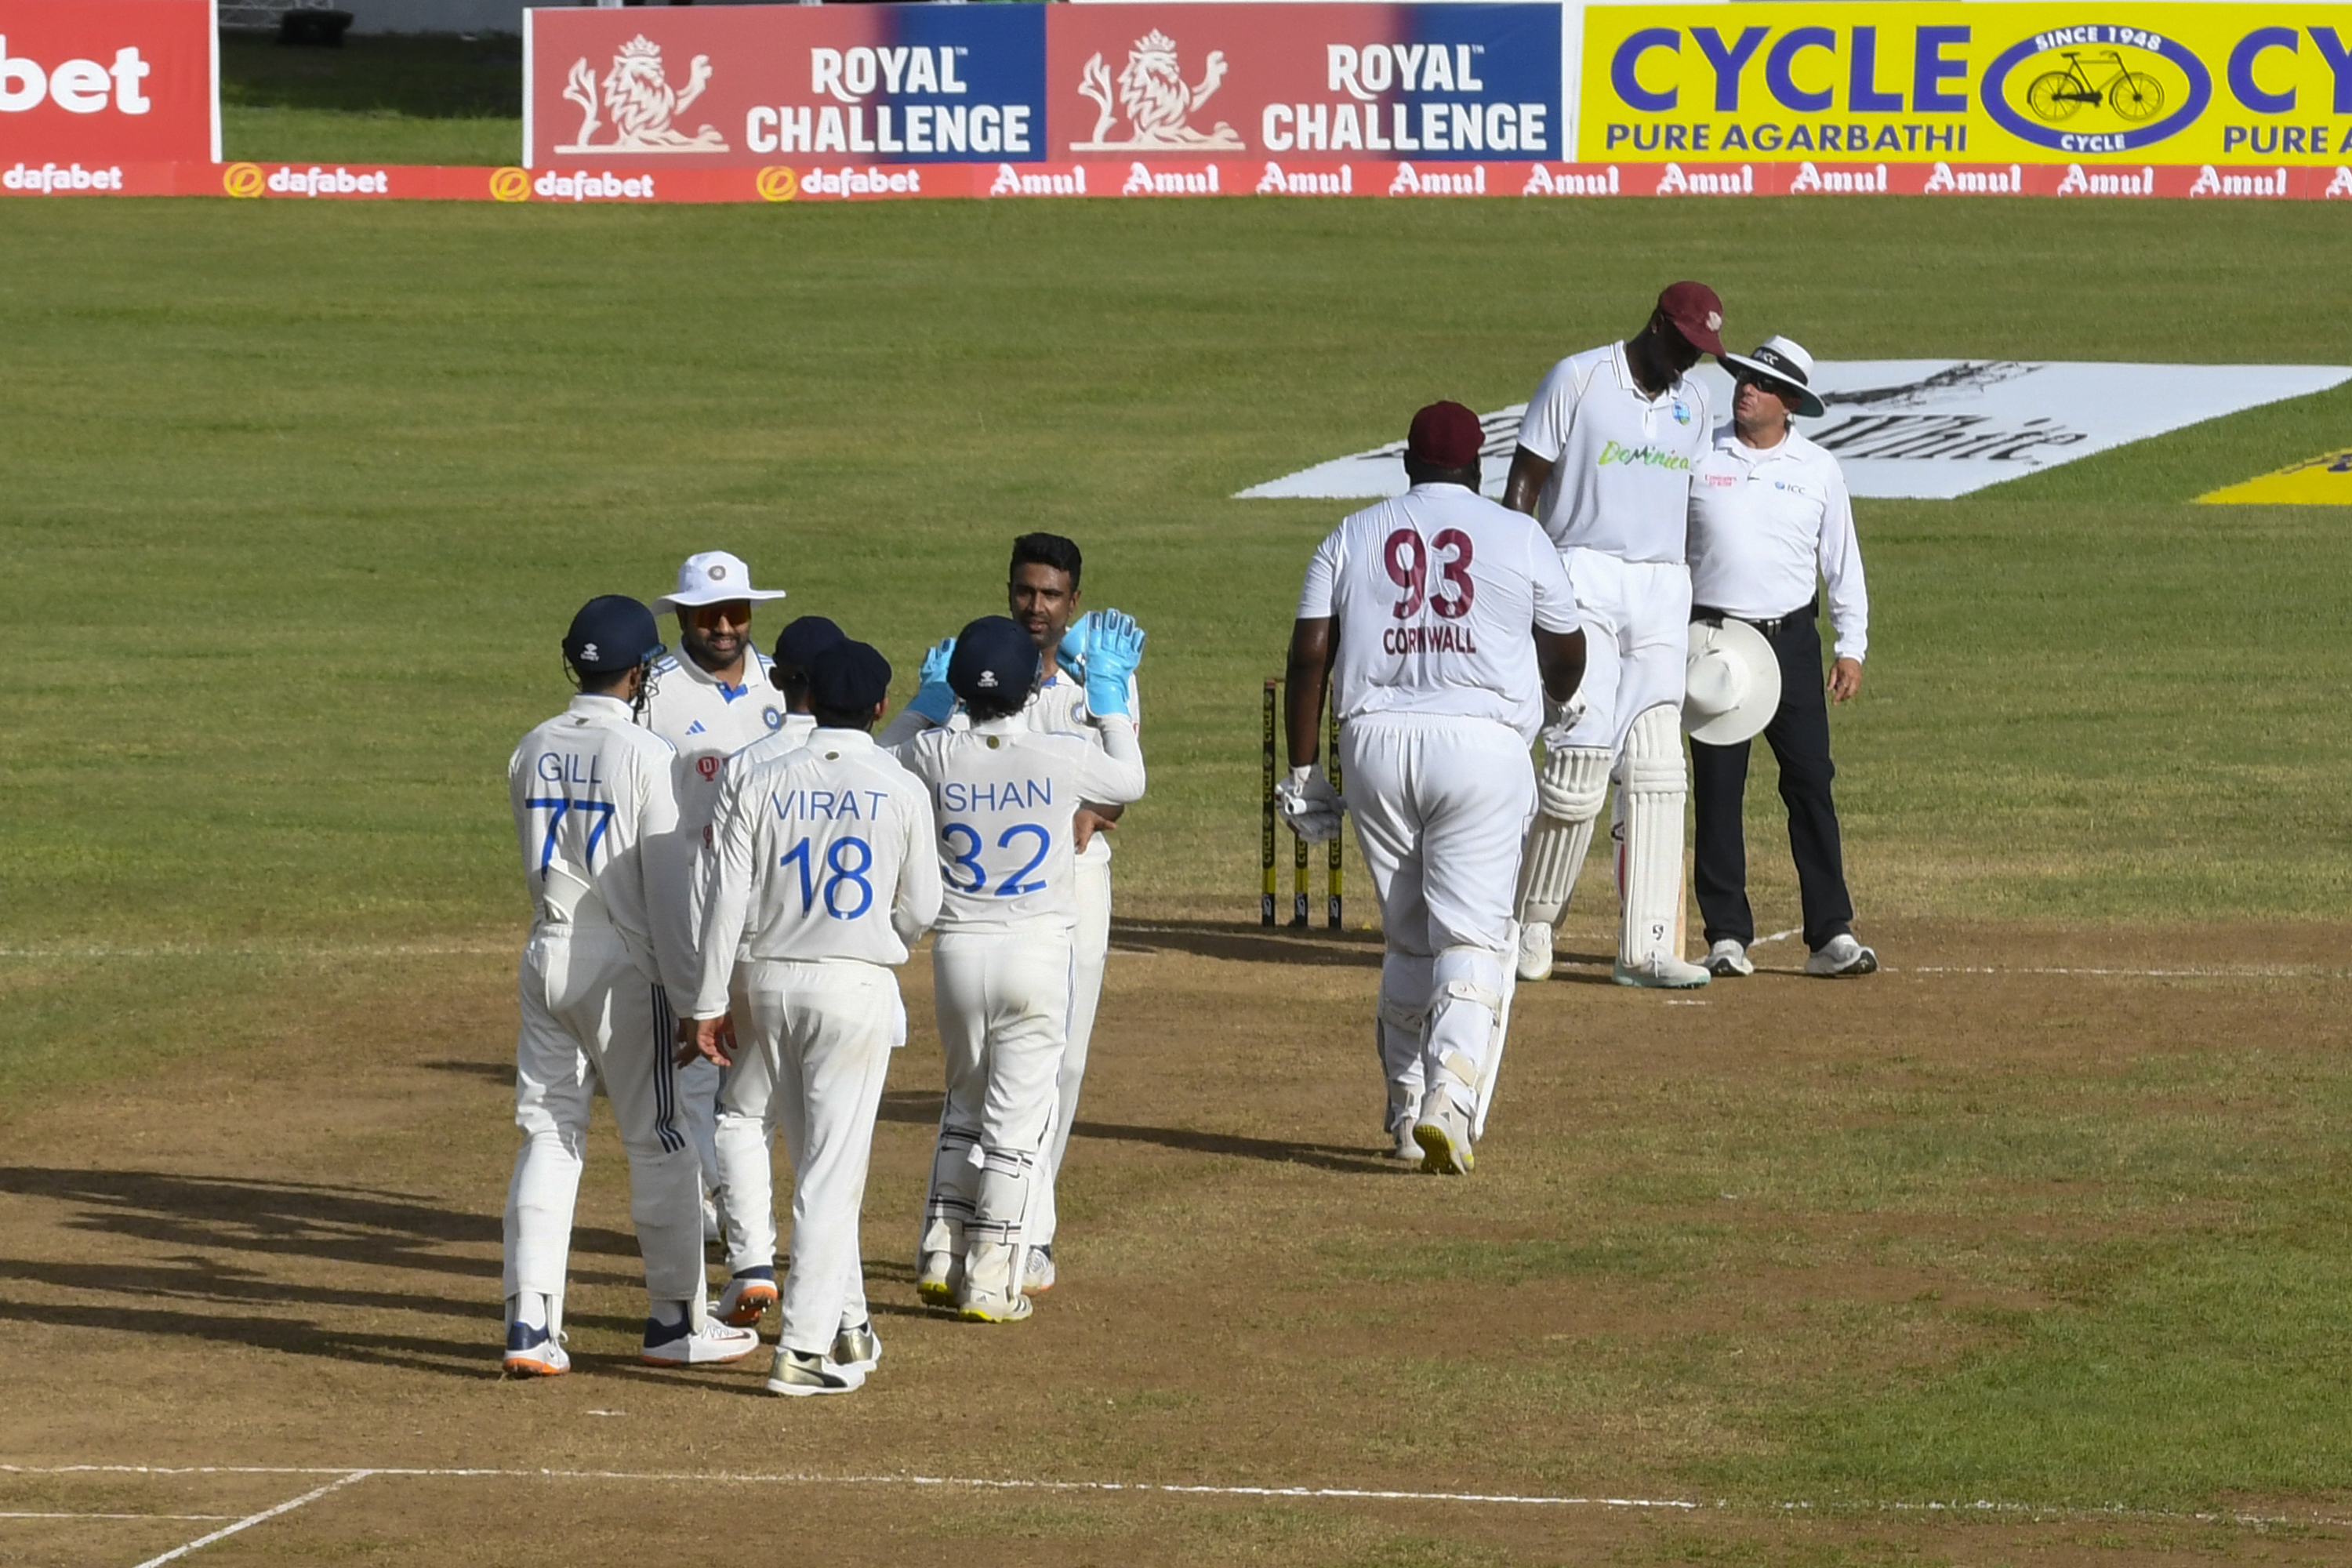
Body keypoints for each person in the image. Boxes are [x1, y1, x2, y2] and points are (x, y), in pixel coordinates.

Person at [1278, 401, 1585, 1174]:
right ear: (1477, 467)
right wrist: (1557, 698)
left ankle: (1405, 1103)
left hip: (1376, 742)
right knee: (1474, 936)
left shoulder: (1351, 534)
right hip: (1482, 745)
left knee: (1411, 936)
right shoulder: (1519, 533)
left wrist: (1306, 769)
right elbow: (1568, 648)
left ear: (1409, 464)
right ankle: (1448, 1091)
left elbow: (1311, 652)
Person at [499, 595, 759, 1376]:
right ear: (642, 671)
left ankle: (529, 1324)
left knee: (549, 1133)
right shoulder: (646, 754)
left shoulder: (530, 745)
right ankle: (675, 1318)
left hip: (546, 948)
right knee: (664, 1137)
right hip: (623, 962)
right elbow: (669, 891)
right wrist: (695, 1001)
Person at [879, 534, 1142, 1298]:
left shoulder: (956, 720)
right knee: (1021, 1089)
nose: (1037, 606)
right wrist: (1109, 710)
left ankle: (950, 1239)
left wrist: (928, 709)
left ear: (1072, 601)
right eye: (1025, 592)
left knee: (1043, 1073)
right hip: (1033, 921)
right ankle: (1007, 1251)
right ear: (1010, 593)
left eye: (1051, 594)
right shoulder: (1043, 709)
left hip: (1026, 908)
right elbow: (1121, 777)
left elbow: (1109, 804)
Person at [683, 640, 942, 1396]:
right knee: (830, 1179)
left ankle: (850, 1324)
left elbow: (724, 897)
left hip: (767, 986)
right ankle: (800, 1351)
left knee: (815, 1166)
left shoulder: (762, 776)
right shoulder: (898, 785)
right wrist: (881, 944)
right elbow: (923, 905)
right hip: (850, 987)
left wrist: (706, 1005)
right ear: (879, 708)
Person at [1504, 282, 1726, 989]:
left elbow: (1690, 510)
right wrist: (1521, 586)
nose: (1690, 361)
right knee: (1579, 760)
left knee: (1661, 767)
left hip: (1662, 588)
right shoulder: (1579, 378)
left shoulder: (1696, 404)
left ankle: (1648, 946)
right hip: (1582, 576)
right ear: (1658, 324)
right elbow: (1521, 489)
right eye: (1685, 345)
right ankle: (1532, 926)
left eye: (1701, 352)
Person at [1683, 336, 1877, 979]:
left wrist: (1852, 646)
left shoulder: (1819, 468)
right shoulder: (1697, 453)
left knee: (1810, 782)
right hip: (1713, 639)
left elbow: (1841, 561)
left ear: (1789, 402)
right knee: (1718, 788)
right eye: (1742, 379)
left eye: (1761, 385)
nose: (1745, 390)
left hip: (1792, 641)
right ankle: (1726, 935)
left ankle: (1830, 933)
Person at [639, 550, 789, 1243]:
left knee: (761, 1065)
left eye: (735, 613)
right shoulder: (653, 691)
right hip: (689, 899)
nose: (725, 628)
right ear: (684, 617)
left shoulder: (784, 685)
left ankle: (736, 1199)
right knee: (697, 1058)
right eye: (709, 615)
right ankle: (710, 1207)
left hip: (770, 902)